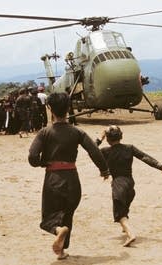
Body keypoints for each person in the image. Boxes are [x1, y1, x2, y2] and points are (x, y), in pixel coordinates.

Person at [28, 92, 109, 260]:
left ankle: (58, 231)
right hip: (73, 179)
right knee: (67, 214)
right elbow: (94, 150)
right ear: (68, 109)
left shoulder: (44, 132)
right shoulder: (77, 132)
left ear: (50, 109)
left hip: (53, 180)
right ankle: (62, 251)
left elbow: (32, 157)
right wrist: (104, 170)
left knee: (49, 219)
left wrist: (42, 163)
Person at [96, 125, 162, 247]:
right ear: (121, 136)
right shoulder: (129, 148)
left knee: (119, 213)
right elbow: (145, 157)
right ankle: (125, 226)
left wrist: (100, 137)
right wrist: (160, 166)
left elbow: (92, 150)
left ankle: (130, 234)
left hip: (118, 184)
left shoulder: (106, 151)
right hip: (130, 183)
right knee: (124, 206)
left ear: (108, 139)